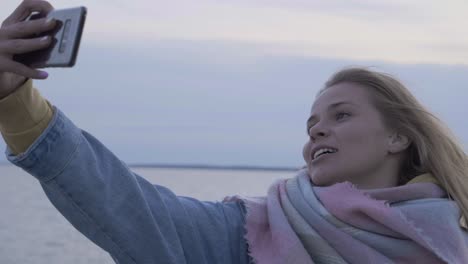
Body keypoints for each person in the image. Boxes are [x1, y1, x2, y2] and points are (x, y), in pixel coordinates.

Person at [1, 1, 467, 263]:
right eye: (311, 125)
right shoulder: (252, 234)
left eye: (341, 115)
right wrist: (16, 100)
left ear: (398, 137)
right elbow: (127, 204)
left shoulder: (453, 240)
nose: (318, 130)